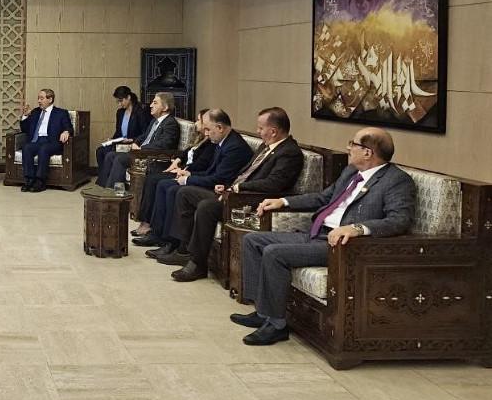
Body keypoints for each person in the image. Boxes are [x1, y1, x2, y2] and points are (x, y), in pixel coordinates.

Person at [232, 127, 415, 345]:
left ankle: (277, 326)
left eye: (353, 144)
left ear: (368, 152)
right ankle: (263, 312)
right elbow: (323, 198)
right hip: (317, 233)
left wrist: (357, 228)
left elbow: (399, 220)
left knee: (274, 253)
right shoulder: (351, 172)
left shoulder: (396, 180)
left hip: (341, 245)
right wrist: (283, 201)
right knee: (252, 240)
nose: (348, 148)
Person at [161, 107, 304, 281]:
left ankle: (198, 264)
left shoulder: (289, 152)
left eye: (260, 128)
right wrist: (228, 186)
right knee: (185, 193)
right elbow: (245, 172)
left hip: (251, 200)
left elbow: (274, 184)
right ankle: (183, 249)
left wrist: (239, 188)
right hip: (233, 193)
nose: (257, 131)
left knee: (207, 207)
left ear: (273, 131)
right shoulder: (265, 146)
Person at [144, 108, 253, 259]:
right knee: (168, 186)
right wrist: (190, 175)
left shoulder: (234, 147)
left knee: (177, 190)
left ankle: (179, 246)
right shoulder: (223, 141)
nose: (205, 133)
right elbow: (210, 172)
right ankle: (166, 239)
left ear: (220, 127)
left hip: (222, 190)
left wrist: (188, 179)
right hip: (217, 184)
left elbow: (217, 178)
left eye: (207, 129)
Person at [131, 108, 215, 244]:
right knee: (152, 177)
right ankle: (147, 224)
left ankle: (156, 231)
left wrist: (183, 170)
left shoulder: (212, 143)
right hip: (182, 168)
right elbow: (186, 152)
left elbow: (202, 164)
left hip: (190, 173)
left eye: (199, 120)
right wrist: (177, 160)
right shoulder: (201, 139)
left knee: (159, 182)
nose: (196, 123)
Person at [96, 92, 180, 188]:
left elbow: (164, 144)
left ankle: (111, 191)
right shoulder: (155, 120)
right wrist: (136, 142)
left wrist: (141, 149)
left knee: (120, 159)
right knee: (110, 155)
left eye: (155, 103)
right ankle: (102, 188)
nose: (151, 105)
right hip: (141, 153)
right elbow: (144, 136)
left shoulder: (170, 123)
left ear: (165, 107)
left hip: (151, 157)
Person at [18, 89, 74, 193]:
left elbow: (69, 127)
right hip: (37, 140)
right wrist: (25, 116)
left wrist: (66, 131)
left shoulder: (61, 113)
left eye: (41, 98)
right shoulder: (35, 112)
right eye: (38, 98)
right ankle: (29, 180)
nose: (39, 101)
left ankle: (40, 181)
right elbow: (25, 129)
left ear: (50, 99)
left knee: (44, 149)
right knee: (27, 147)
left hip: (52, 142)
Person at [94, 86, 147, 185]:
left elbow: (145, 133)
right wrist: (112, 140)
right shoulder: (120, 112)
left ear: (128, 97)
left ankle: (107, 182)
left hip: (133, 143)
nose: (119, 104)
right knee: (100, 151)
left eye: (121, 101)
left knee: (109, 154)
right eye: (118, 101)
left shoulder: (140, 112)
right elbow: (118, 132)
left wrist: (132, 139)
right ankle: (103, 180)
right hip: (120, 142)